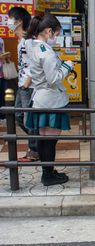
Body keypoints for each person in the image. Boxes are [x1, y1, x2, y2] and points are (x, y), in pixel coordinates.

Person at [24, 14, 75, 186]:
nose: (56, 38)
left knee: (44, 138)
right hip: (52, 99)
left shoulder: (31, 45)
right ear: (48, 31)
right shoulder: (46, 53)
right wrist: (67, 65)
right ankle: (48, 175)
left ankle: (48, 171)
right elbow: (54, 79)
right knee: (50, 141)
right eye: (56, 34)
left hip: (39, 98)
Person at [7, 7, 40, 161]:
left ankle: (35, 150)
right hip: (22, 85)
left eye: (10, 18)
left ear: (19, 21)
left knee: (28, 118)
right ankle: (38, 142)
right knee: (20, 116)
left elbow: (36, 64)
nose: (9, 21)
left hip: (28, 86)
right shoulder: (21, 40)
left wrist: (27, 84)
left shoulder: (29, 41)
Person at [0, 37, 10, 120]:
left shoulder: (1, 40)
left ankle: (2, 114)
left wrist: (6, 56)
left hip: (2, 72)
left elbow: (3, 52)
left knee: (3, 93)